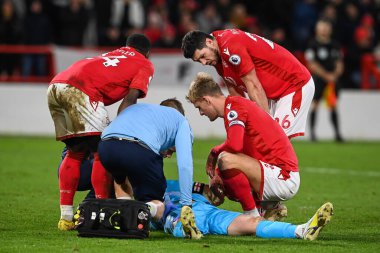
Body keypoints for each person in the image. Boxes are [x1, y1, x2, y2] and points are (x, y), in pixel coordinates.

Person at [47, 34, 154, 231]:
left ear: (127, 46)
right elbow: (130, 100)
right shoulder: (144, 64)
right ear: (147, 53)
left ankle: (66, 217)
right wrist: (122, 130)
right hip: (82, 91)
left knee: (75, 152)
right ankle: (100, 212)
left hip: (56, 85)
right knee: (103, 152)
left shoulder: (114, 54)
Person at [186, 72, 300, 220]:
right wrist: (218, 176)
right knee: (224, 177)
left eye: (199, 107)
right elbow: (244, 152)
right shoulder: (234, 107)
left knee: (225, 160)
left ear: (206, 100)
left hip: (283, 176)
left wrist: (214, 152)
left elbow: (234, 146)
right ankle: (269, 209)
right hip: (274, 173)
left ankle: (251, 215)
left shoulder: (235, 106)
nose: (201, 113)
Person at [97, 98, 203, 239]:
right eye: (172, 150)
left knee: (121, 179)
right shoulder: (181, 121)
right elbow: (185, 165)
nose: (170, 154)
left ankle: (124, 218)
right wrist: (186, 205)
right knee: (157, 203)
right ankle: (140, 210)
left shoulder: (141, 110)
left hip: (106, 147)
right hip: (139, 149)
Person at [181, 29, 315, 139]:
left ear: (209, 42)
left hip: (294, 85)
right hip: (275, 95)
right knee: (264, 143)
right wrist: (240, 125)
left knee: (273, 141)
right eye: (199, 61)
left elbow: (253, 85)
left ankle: (288, 172)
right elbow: (236, 94)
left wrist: (264, 125)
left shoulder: (230, 45)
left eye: (203, 56)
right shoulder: (218, 55)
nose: (204, 63)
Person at [155, 180, 333, 241]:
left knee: (252, 222)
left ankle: (301, 230)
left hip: (208, 211)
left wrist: (217, 189)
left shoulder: (172, 182)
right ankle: (188, 229)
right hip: (180, 214)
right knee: (173, 219)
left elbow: (213, 195)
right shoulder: (149, 199)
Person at [305, 18, 344, 142]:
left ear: (330, 29)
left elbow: (339, 63)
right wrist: (326, 75)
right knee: (315, 104)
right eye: (322, 27)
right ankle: (312, 134)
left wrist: (335, 74)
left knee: (333, 105)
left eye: (326, 27)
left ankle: (337, 134)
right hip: (319, 79)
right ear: (317, 29)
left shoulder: (335, 45)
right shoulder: (312, 44)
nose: (324, 29)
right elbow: (312, 64)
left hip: (332, 80)